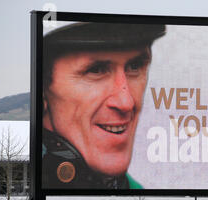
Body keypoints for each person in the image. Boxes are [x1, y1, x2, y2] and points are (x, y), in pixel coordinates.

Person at [42, 22, 166, 189]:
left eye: (135, 67)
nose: (126, 103)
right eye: (96, 70)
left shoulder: (139, 192)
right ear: (43, 90)